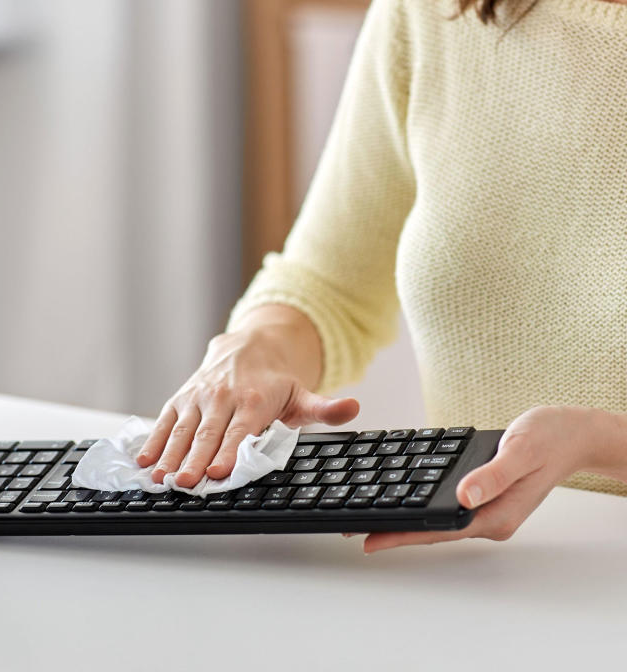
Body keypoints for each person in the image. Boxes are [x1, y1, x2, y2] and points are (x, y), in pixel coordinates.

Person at [137, 0, 627, 553]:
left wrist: (602, 444)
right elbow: (328, 282)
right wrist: (254, 349)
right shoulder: (432, 13)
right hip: (474, 573)